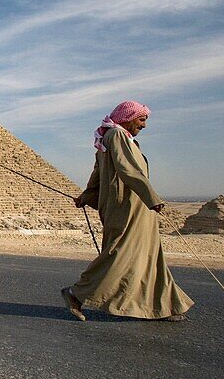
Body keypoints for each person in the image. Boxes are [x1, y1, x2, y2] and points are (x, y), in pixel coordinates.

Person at [61, 100, 194, 322]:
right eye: (141, 119)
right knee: (119, 255)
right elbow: (127, 170)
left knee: (149, 257)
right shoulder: (117, 136)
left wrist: (86, 196)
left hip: (139, 207)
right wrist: (151, 197)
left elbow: (98, 173)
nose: (144, 125)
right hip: (127, 207)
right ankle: (76, 293)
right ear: (127, 117)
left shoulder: (111, 138)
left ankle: (164, 305)